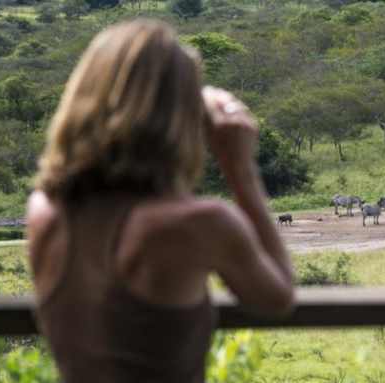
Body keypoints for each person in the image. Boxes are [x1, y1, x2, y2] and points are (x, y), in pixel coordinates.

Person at [25, 19, 294, 382]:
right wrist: (239, 167)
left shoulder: (43, 210)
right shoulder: (200, 222)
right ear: (183, 117)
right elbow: (277, 297)